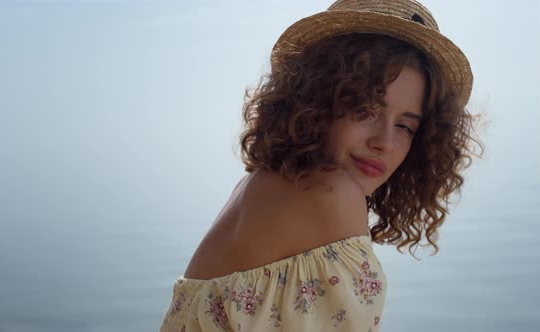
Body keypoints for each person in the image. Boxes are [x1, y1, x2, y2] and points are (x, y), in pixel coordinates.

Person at [159, 0, 483, 331]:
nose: (384, 141)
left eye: (405, 126)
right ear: (318, 97)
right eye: (367, 108)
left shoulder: (260, 184)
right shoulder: (331, 194)